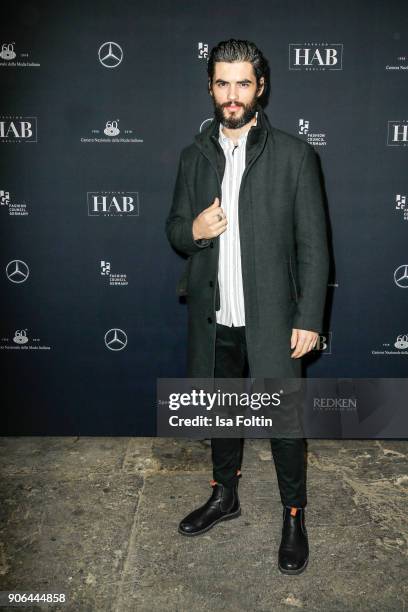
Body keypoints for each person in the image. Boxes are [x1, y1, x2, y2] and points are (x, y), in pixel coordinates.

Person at [165, 39, 329, 575]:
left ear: (260, 87)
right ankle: (224, 496)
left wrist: (308, 319)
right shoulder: (194, 156)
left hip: (275, 319)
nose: (231, 95)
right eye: (221, 83)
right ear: (210, 88)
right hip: (216, 319)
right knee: (220, 412)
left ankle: (294, 515)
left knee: (285, 422)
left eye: (242, 83)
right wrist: (194, 230)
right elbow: (174, 229)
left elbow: (314, 245)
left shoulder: (295, 154)